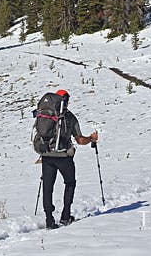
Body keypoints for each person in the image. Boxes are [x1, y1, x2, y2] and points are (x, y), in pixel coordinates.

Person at [39, 89, 98, 229]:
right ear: (65, 100)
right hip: (64, 156)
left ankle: (49, 219)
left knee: (48, 187)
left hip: (47, 155)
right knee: (70, 183)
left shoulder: (45, 114)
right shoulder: (69, 117)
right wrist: (91, 138)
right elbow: (80, 140)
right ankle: (66, 216)